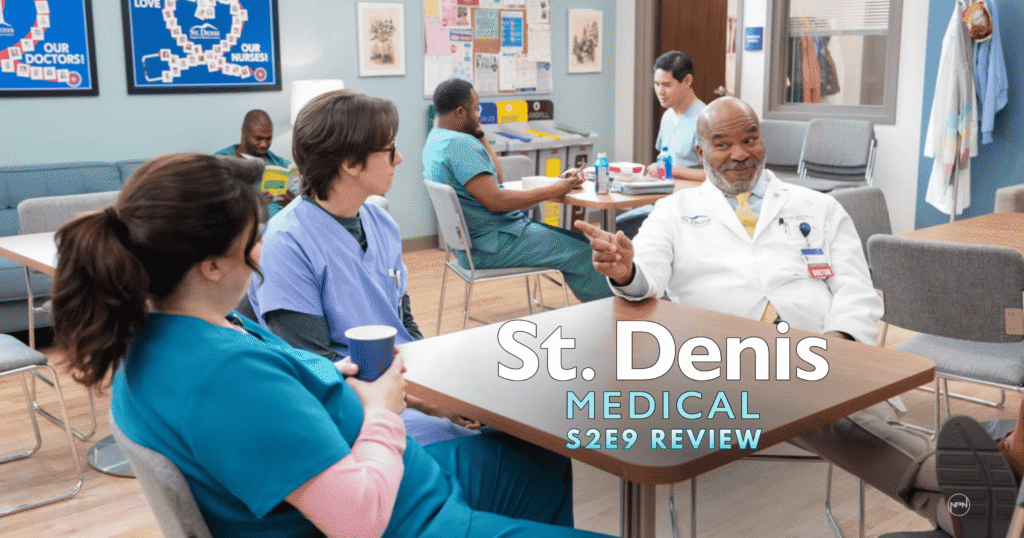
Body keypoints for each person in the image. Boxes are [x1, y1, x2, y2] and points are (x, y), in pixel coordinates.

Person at [51, 153, 613, 538]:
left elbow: (277, 397)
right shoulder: (220, 378)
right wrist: (381, 411)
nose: (264, 250)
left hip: (406, 480)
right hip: (404, 516)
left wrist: (332, 378)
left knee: (541, 456)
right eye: (254, 237)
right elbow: (357, 519)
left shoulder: (177, 333)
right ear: (212, 264)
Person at [576, 96, 1021, 537]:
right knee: (802, 391)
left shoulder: (819, 206)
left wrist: (837, 344)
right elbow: (645, 276)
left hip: (823, 351)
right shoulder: (673, 211)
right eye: (723, 144)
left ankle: (957, 510)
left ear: (763, 141)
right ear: (700, 151)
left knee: (809, 387)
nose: (739, 154)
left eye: (750, 139)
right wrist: (625, 270)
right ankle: (990, 467)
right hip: (724, 361)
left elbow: (856, 289)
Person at [249, 90, 479, 446]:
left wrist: (441, 386)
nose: (399, 158)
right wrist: (426, 403)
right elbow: (315, 368)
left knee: (512, 426)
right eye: (389, 150)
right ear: (351, 164)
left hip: (407, 385)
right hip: (355, 410)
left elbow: (403, 323)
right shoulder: (286, 244)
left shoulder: (381, 223)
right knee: (506, 455)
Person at [423, 78, 612, 303]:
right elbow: (496, 201)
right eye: (476, 109)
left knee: (578, 240)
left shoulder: (435, 141)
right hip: (491, 245)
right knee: (585, 252)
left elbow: (497, 179)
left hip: (471, 246)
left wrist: (479, 133)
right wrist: (553, 190)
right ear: (460, 113)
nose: (479, 115)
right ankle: (615, 310)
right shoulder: (460, 145)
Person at [613, 51, 707, 239]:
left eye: (666, 85)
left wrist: (671, 169)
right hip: (663, 201)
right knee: (612, 227)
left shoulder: (705, 119)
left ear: (687, 81)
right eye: (657, 84)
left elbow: (712, 176)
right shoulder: (668, 117)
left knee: (618, 230)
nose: (660, 91)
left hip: (689, 208)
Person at [214, 108, 297, 217]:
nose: (264, 144)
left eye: (268, 139)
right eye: (258, 139)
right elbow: (214, 207)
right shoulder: (221, 162)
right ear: (244, 132)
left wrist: (293, 203)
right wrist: (251, 204)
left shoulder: (281, 164)